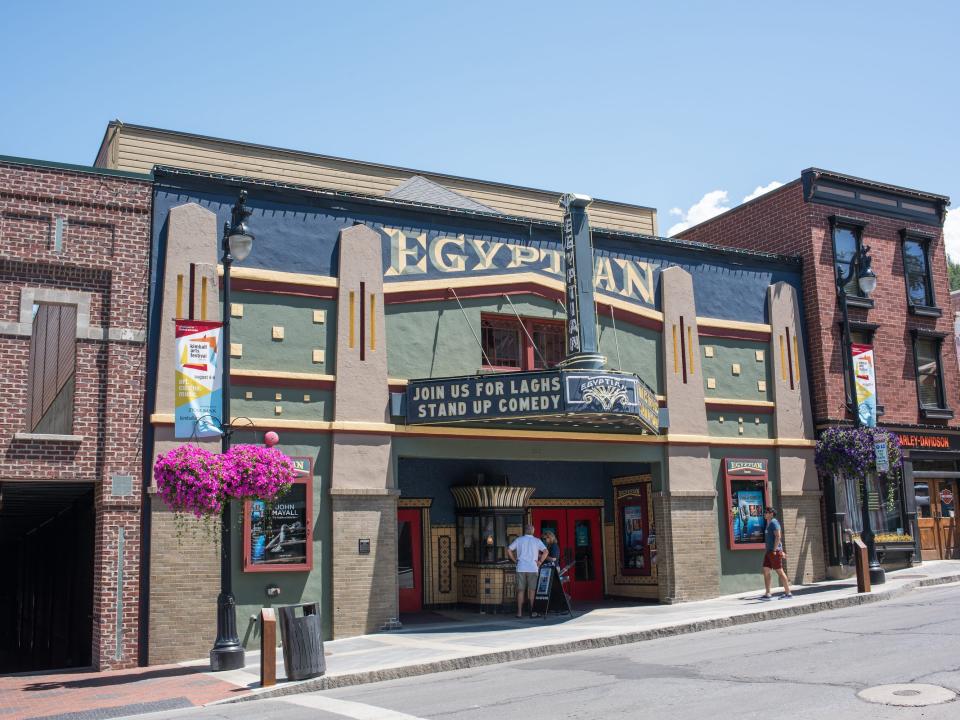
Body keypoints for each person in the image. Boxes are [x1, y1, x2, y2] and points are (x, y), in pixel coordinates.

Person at [507, 524, 549, 618]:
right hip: (533, 568)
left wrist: (514, 560)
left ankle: (519, 613)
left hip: (521, 567)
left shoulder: (519, 540)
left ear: (525, 531)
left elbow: (509, 550)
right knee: (532, 591)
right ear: (533, 531)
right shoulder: (537, 541)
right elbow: (546, 551)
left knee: (520, 591)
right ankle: (532, 613)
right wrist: (540, 562)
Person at [761, 507, 792, 599]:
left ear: (771, 514)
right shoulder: (769, 523)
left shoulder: (774, 522)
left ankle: (788, 593)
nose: (764, 513)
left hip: (774, 551)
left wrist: (775, 550)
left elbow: (778, 536)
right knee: (766, 570)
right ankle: (768, 593)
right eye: (765, 512)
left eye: (766, 512)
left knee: (780, 572)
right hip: (769, 552)